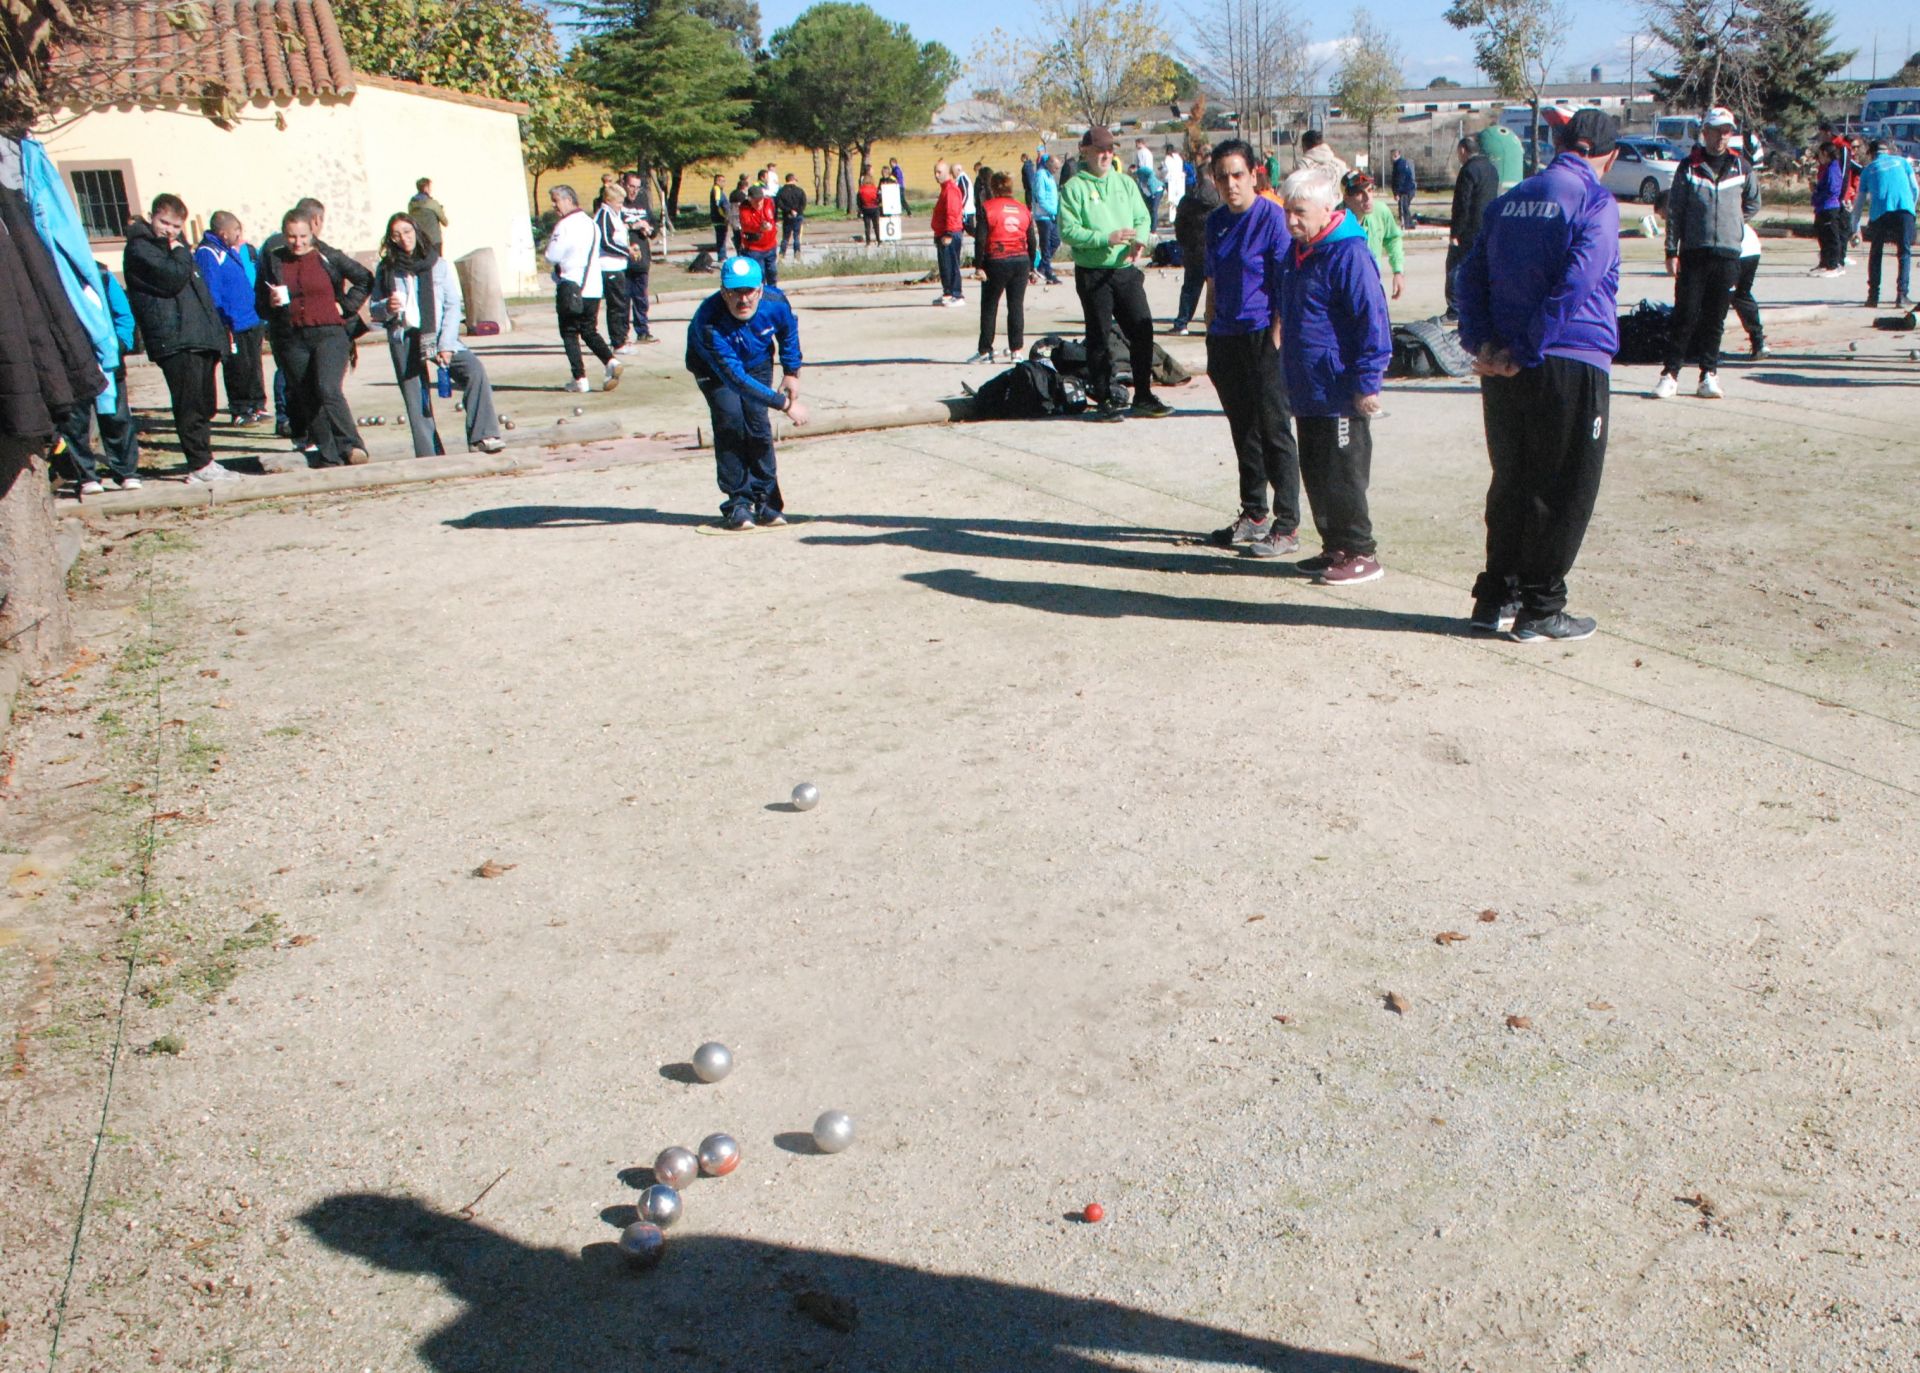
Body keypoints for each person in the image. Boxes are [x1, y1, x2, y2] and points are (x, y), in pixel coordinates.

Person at [1454, 108, 1621, 644]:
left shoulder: (1509, 201)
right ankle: (1542, 605)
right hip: (1568, 358)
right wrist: (1527, 348)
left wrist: (1483, 345)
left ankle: (1494, 596)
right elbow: (1577, 282)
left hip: (1504, 363)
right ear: (1609, 157)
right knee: (1566, 484)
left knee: (1513, 479)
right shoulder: (1596, 200)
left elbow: (1469, 275)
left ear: (1560, 145)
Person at [1273, 168, 1391, 585]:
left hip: (1341, 390)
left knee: (1343, 475)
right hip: (1308, 388)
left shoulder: (1349, 254)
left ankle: (1361, 551)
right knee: (1317, 472)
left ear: (1328, 209)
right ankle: (1335, 546)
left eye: (1299, 212)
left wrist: (1368, 382)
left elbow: (1371, 320)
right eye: (1287, 211)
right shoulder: (1297, 252)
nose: (1290, 221)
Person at [1199, 138, 1300, 560]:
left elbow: (1284, 283)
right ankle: (1254, 512)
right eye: (1221, 177)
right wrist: (1209, 325)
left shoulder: (1273, 219)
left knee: (1274, 427)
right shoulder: (1215, 222)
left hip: (1263, 333)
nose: (1230, 184)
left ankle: (1288, 522)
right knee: (1243, 429)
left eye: (1237, 174)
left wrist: (1276, 336)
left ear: (1255, 174)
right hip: (1226, 336)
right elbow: (1213, 279)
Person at [685, 255, 810, 530]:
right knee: (730, 420)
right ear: (723, 291)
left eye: (749, 291)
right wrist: (785, 404)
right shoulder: (708, 321)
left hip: (756, 361)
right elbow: (735, 380)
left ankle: (766, 500)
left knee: (757, 423)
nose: (743, 300)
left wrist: (791, 371)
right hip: (714, 368)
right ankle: (738, 502)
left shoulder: (775, 303)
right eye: (734, 292)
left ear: (761, 289)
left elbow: (788, 332)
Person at [1057, 124, 1171, 420]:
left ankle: (1143, 395)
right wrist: (1104, 238)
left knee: (1142, 332)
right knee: (1099, 338)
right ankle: (1105, 397)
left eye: (1110, 150)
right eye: (1099, 150)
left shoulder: (1125, 183)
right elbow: (1068, 231)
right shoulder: (1073, 188)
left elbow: (1142, 217)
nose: (1105, 155)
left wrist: (1140, 241)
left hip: (1125, 271)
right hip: (1094, 273)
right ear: (1086, 151)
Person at [122, 192, 233, 483]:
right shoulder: (141, 248)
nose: (169, 230)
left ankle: (205, 459)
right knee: (189, 403)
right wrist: (181, 251)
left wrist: (216, 337)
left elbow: (198, 292)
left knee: (204, 403)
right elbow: (171, 277)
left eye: (175, 226)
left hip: (197, 336)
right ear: (151, 217)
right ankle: (198, 464)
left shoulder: (173, 246)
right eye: (164, 223)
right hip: (174, 338)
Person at [374, 213, 505, 458]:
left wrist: (446, 344)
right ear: (390, 239)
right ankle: (429, 453)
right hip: (403, 335)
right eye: (397, 234)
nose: (404, 238)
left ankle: (483, 435)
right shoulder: (386, 269)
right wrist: (385, 307)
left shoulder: (437, 264)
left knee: (474, 370)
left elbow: (452, 306)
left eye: (408, 232)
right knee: (416, 398)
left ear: (416, 232)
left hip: (435, 334)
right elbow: (374, 310)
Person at [1652, 107, 1759, 400]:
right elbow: (1675, 211)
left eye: (1726, 131)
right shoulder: (1688, 167)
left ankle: (1708, 374)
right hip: (1694, 252)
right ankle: (1670, 374)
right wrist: (1671, 250)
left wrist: (1733, 224)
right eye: (1715, 131)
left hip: (1727, 254)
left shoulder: (1742, 167)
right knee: (1685, 315)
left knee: (1716, 318)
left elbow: (1752, 203)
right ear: (1705, 133)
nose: (1721, 137)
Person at [256, 205, 371, 466]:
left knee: (328, 388)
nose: (297, 242)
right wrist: (271, 303)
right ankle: (328, 452)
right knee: (307, 394)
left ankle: (351, 444)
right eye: (292, 237)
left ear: (312, 233)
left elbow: (365, 278)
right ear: (284, 235)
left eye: (303, 237)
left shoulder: (327, 255)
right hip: (293, 336)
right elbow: (259, 302)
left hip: (329, 332)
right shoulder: (274, 260)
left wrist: (347, 306)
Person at [59, 261, 142, 492]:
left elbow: (123, 313)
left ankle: (126, 471)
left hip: (107, 358)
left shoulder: (103, 276)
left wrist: (121, 344)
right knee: (76, 421)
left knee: (117, 417)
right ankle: (86, 476)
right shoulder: (55, 274)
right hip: (73, 361)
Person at [542, 184, 621, 394]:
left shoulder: (564, 225)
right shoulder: (591, 223)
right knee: (588, 329)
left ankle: (579, 378)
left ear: (569, 200)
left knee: (569, 332)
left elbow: (552, 255)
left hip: (571, 284)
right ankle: (610, 360)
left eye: (556, 200)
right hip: (593, 286)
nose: (554, 206)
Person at [194, 211, 268, 424]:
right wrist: (221, 321)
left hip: (250, 319)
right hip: (231, 321)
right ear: (223, 232)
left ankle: (257, 404)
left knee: (253, 365)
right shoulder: (208, 253)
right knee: (238, 367)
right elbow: (211, 289)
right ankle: (240, 409)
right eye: (236, 230)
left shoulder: (231, 250)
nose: (240, 234)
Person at [968, 172, 1040, 364]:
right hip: (1020, 260)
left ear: (993, 188)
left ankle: (985, 351)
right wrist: (1033, 266)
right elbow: (1031, 239)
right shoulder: (1023, 209)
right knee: (1016, 306)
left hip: (996, 260)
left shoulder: (987, 208)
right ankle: (1016, 350)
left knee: (990, 306)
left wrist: (978, 265)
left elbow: (981, 239)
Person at [1170, 143, 1222, 333]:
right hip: (1216, 251)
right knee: (1217, 290)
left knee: (1190, 288)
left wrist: (1184, 243)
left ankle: (1181, 322)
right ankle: (1216, 322)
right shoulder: (1221, 199)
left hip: (1194, 250)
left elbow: (1180, 224)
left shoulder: (1188, 199)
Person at [1859, 139, 1917, 308]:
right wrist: (1910, 209)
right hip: (1904, 210)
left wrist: (1854, 225)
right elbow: (1915, 188)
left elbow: (1859, 202)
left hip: (1880, 213)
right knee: (1904, 252)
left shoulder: (1868, 169)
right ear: (1889, 151)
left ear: (1871, 153)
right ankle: (1901, 295)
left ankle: (1873, 297)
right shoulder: (1903, 162)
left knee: (1876, 252)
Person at [1446, 137, 1499, 316]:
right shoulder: (1491, 169)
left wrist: (1456, 232)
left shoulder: (1468, 170)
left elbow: (1463, 204)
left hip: (1469, 229)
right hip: (1488, 226)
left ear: (1463, 150)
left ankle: (1455, 308)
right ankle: (1480, 306)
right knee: (1482, 267)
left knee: (1455, 266)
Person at [1342, 171, 1404, 301]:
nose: (1367, 198)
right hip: (1343, 290)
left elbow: (1393, 238)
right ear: (1346, 197)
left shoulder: (1380, 211)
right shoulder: (1336, 221)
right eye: (1360, 193)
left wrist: (1398, 271)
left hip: (1372, 285)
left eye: (1370, 190)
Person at [613, 170, 657, 349]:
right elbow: (612, 228)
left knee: (641, 297)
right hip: (623, 257)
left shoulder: (642, 201)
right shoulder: (617, 203)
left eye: (637, 188)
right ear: (624, 184)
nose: (634, 191)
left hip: (641, 257)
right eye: (631, 186)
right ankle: (622, 336)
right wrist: (633, 225)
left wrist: (649, 230)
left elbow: (653, 226)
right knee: (623, 299)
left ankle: (643, 331)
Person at [591, 181, 633, 360]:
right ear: (608, 200)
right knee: (616, 305)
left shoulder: (615, 214)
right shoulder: (603, 215)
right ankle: (618, 341)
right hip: (609, 267)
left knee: (623, 302)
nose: (621, 206)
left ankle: (623, 337)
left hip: (619, 266)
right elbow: (606, 242)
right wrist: (627, 251)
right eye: (618, 202)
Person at [1728, 222, 1767, 359]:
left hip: (1734, 249)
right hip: (1751, 247)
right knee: (1741, 295)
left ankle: (1706, 348)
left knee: (1719, 296)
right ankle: (1758, 342)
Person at [931, 161, 966, 306]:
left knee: (951, 265)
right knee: (945, 266)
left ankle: (957, 294)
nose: (936, 175)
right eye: (935, 172)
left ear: (947, 173)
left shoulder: (951, 190)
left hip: (950, 233)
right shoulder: (945, 189)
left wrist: (949, 233)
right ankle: (948, 292)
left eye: (939, 172)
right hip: (942, 232)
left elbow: (952, 212)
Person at [1810, 143, 1848, 276]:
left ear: (1825, 153)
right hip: (1822, 207)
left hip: (1829, 207)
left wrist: (1818, 195)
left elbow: (1833, 189)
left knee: (1831, 237)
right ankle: (1824, 264)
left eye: (1820, 154)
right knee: (1823, 237)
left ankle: (1833, 265)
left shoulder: (1833, 167)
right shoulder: (1827, 168)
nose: (1818, 157)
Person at [738, 182, 779, 286]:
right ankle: (760, 295)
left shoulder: (769, 203)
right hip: (754, 248)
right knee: (759, 274)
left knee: (772, 272)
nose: (759, 203)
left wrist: (771, 227)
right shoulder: (744, 209)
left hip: (770, 245)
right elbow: (747, 225)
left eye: (761, 200)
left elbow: (772, 217)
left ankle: (772, 293)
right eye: (756, 201)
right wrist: (760, 228)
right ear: (750, 199)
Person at [1030, 154, 1062, 285]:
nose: (1056, 170)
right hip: (1043, 216)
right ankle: (1048, 272)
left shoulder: (1050, 176)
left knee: (1055, 241)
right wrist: (1053, 211)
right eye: (1055, 167)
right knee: (1046, 246)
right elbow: (1040, 198)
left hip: (1052, 216)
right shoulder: (1041, 175)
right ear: (1049, 164)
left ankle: (1041, 268)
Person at [408, 178, 448, 253]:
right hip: (434, 241)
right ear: (426, 188)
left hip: (419, 242)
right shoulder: (433, 203)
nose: (430, 190)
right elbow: (445, 222)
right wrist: (441, 210)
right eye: (429, 187)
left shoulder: (411, 205)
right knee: (437, 263)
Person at [776, 172, 807, 260]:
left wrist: (789, 210)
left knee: (785, 237)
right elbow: (803, 203)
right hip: (798, 215)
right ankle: (797, 254)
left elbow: (779, 204)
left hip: (787, 216)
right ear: (793, 180)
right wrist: (796, 211)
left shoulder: (781, 191)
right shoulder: (800, 191)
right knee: (796, 236)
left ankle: (782, 255)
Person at [1390, 149, 1417, 228]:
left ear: (1397, 155)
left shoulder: (1400, 165)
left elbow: (1400, 180)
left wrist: (1397, 193)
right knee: (1404, 206)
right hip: (1407, 189)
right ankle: (1408, 223)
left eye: (1394, 156)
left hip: (1406, 190)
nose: (1392, 158)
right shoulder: (1398, 164)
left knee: (1403, 207)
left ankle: (1407, 224)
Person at [1162, 143, 1185, 230]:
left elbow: (1166, 170)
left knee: (1172, 199)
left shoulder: (1168, 158)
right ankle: (1179, 216)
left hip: (1171, 180)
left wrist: (1162, 169)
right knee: (1179, 198)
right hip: (1179, 180)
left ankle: (1173, 218)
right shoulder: (1178, 157)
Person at [708, 173, 730, 256]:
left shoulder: (717, 190)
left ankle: (722, 255)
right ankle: (722, 256)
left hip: (717, 217)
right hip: (720, 217)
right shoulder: (717, 190)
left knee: (721, 236)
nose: (724, 183)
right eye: (722, 181)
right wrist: (725, 216)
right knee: (721, 237)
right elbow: (719, 204)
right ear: (717, 181)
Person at [857, 174, 882, 243]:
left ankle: (868, 242)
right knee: (876, 225)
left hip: (865, 209)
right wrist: (878, 203)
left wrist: (860, 208)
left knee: (867, 227)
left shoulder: (861, 189)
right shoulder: (875, 188)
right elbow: (880, 198)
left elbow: (859, 201)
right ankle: (879, 240)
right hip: (874, 208)